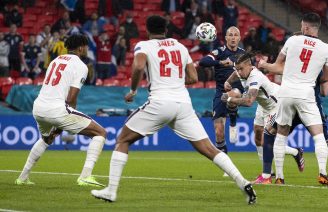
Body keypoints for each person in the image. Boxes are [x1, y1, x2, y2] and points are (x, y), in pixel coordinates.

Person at [90, 15, 257, 204]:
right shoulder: (180, 46)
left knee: (122, 139)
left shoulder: (144, 45)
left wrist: (133, 90)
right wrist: (174, 81)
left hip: (160, 102)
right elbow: (194, 78)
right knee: (209, 149)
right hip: (183, 105)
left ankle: (111, 191)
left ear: (147, 30)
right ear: (166, 30)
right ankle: (243, 182)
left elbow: (137, 65)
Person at [15, 34, 107, 187]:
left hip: (38, 108)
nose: (86, 49)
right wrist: (67, 123)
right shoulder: (81, 66)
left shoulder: (55, 61)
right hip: (57, 110)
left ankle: (22, 178)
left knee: (47, 139)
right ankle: (85, 176)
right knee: (101, 133)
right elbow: (71, 98)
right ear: (80, 47)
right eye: (85, 46)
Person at [257, 13, 328, 185]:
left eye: (302, 26)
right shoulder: (326, 48)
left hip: (285, 93)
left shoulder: (292, 41)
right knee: (318, 135)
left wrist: (264, 66)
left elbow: (278, 66)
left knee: (281, 134)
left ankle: (279, 177)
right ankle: (323, 173)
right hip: (306, 94)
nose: (301, 29)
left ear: (306, 27)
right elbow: (325, 78)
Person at [221, 51, 305, 184]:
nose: (239, 72)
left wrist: (230, 99)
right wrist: (228, 81)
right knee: (257, 136)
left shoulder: (255, 77)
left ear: (249, 66)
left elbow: (248, 101)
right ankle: (268, 172)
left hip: (276, 105)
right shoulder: (242, 70)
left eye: (241, 69)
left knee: (269, 141)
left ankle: (293, 153)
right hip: (263, 105)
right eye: (237, 69)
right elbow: (235, 74)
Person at [199, 26, 244, 159]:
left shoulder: (243, 54)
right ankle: (225, 162)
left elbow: (251, 70)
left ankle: (233, 121)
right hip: (220, 92)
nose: (233, 37)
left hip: (237, 89)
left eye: (236, 35)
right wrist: (220, 62)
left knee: (232, 94)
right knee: (218, 132)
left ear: (239, 38)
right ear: (226, 38)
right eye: (230, 35)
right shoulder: (219, 52)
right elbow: (203, 61)